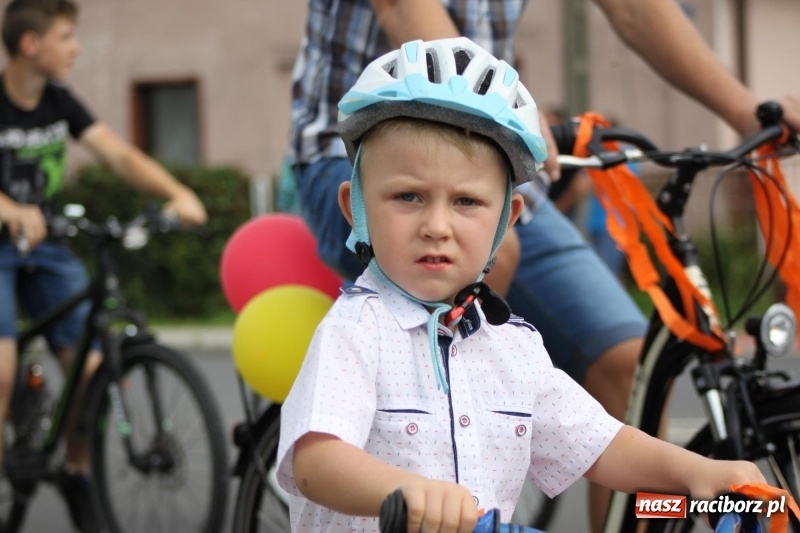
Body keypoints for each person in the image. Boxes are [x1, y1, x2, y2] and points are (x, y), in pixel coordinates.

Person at [288, 2, 800, 530]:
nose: (436, 225)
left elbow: (598, 445)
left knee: (625, 357)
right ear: (357, 209)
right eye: (408, 197)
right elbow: (316, 460)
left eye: (467, 202)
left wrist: (699, 474)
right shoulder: (355, 333)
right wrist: (406, 491)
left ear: (509, 217)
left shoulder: (512, 347)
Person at [0, 1, 207, 531]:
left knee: (92, 374)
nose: (76, 47)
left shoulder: (58, 100)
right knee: (1, 373)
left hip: (45, 243)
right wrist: (9, 209)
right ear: (31, 44)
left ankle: (75, 470)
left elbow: (118, 155)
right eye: (65, 37)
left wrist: (178, 193)